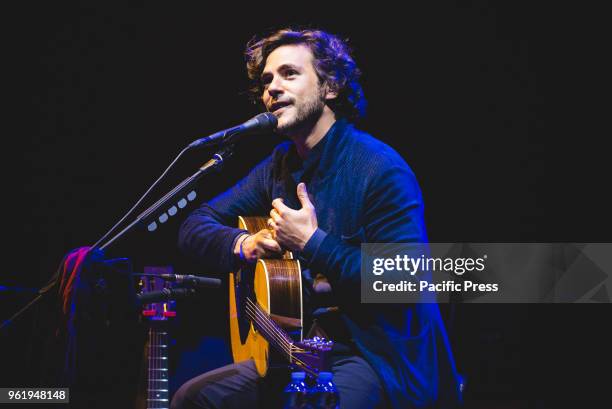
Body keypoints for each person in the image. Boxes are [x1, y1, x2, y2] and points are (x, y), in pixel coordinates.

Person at [172, 28, 462, 409]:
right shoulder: (279, 165)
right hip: (297, 350)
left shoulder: (379, 168)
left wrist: (313, 243)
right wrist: (246, 244)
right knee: (194, 399)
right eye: (266, 80)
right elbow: (195, 224)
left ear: (331, 87)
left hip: (374, 358)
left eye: (289, 74)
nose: (272, 88)